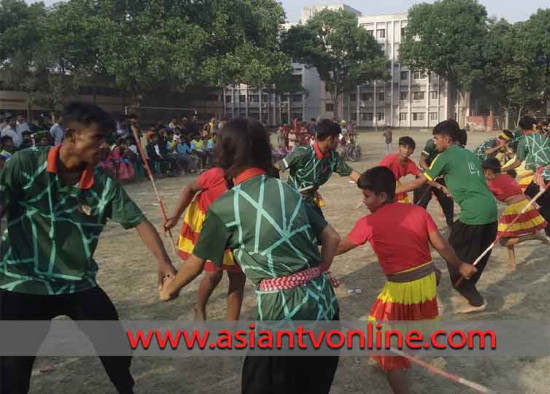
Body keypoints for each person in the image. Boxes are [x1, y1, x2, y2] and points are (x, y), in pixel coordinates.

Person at [0, 102, 177, 393]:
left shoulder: (103, 184)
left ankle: (126, 389)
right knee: (12, 372)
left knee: (116, 349)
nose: (105, 146)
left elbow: (138, 221)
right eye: (97, 138)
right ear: (71, 135)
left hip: (77, 281)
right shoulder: (26, 164)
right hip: (23, 282)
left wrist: (164, 261)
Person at [160, 118, 341, 394]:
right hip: (325, 307)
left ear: (225, 153)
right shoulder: (288, 189)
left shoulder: (225, 206)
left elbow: (196, 265)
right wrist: (315, 272)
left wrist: (169, 289)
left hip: (283, 318)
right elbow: (332, 238)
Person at [336, 166, 477, 394]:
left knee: (380, 340)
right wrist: (460, 265)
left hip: (402, 289)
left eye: (366, 196)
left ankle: (393, 365)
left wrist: (313, 253)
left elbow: (340, 247)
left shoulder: (368, 223)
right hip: (426, 283)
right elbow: (441, 245)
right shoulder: (418, 212)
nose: (363, 201)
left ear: (382, 196)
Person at [396, 120, 498, 313]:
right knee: (476, 256)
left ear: (447, 139)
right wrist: (453, 189)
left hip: (474, 214)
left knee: (451, 252)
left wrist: (394, 192)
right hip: (491, 211)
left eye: (436, 138)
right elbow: (471, 180)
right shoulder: (470, 154)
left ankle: (474, 299)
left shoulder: (444, 156)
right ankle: (471, 290)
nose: (434, 142)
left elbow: (420, 182)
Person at [163, 165, 246, 321]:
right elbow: (190, 188)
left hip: (235, 227)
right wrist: (175, 216)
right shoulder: (216, 175)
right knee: (214, 273)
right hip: (209, 226)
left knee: (237, 276)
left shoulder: (253, 181)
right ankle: (199, 307)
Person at [277, 119, 361, 218]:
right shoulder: (302, 153)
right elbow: (275, 168)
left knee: (325, 231)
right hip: (293, 204)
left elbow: (352, 173)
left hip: (311, 203)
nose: (339, 141)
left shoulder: (333, 158)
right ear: (330, 139)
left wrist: (372, 187)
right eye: (337, 137)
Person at [482, 158, 550, 269]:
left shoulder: (491, 184)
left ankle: (534, 236)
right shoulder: (507, 176)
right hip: (525, 203)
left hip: (516, 208)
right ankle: (512, 260)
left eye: (484, 172)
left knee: (503, 241)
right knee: (508, 234)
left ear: (489, 171)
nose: (484, 174)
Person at [413, 138, 454, 228]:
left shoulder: (453, 147)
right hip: (425, 175)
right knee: (421, 205)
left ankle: (451, 227)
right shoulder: (431, 144)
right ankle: (416, 228)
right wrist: (431, 172)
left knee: (448, 203)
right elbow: (422, 161)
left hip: (439, 177)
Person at [378, 136, 422, 204]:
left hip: (395, 187)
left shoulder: (410, 164)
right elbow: (378, 174)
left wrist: (437, 185)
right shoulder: (389, 159)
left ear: (412, 151)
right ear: (399, 148)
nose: (406, 150)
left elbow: (423, 176)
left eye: (409, 148)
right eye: (404, 147)